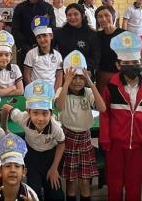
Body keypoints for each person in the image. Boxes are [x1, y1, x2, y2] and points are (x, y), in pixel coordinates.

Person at [100, 31, 142, 201]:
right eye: (127, 63)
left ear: (141, 62)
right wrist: (105, 138)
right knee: (115, 183)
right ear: (118, 65)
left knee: (134, 185)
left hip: (139, 146)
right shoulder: (111, 87)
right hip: (115, 145)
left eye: (135, 62)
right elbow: (105, 114)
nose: (132, 65)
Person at [0, 80, 64, 200]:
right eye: (35, 113)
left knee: (57, 195)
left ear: (51, 113)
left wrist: (54, 168)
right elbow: (5, 107)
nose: (40, 118)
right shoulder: (23, 118)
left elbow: (61, 143)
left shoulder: (55, 127)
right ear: (28, 112)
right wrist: (4, 129)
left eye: (45, 114)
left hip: (50, 157)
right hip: (32, 156)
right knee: (34, 193)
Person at [55, 51, 106, 201]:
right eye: (73, 77)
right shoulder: (61, 91)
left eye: (80, 77)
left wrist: (91, 83)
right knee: (71, 182)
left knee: (85, 181)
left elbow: (102, 108)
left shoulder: (88, 92)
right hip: (68, 138)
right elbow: (59, 106)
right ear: (66, 76)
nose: (77, 81)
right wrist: (66, 82)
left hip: (85, 139)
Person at [11, 0, 55, 68]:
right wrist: (26, 48)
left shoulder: (48, 8)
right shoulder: (19, 8)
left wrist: (43, 46)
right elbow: (15, 30)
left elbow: (52, 28)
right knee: (24, 77)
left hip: (44, 49)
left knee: (43, 75)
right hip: (24, 50)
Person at [0, 133, 39, 201]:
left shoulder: (30, 196)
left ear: (24, 172)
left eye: (17, 166)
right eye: (8, 165)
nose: (12, 170)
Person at [54, 3, 100, 78]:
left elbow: (96, 57)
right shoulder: (59, 33)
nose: (72, 17)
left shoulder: (92, 34)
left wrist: (80, 67)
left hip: (84, 74)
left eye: (76, 14)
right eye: (69, 15)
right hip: (64, 73)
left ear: (82, 15)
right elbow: (52, 52)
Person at [23, 16, 63, 90]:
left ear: (51, 36)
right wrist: (32, 91)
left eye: (45, 36)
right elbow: (27, 75)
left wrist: (54, 92)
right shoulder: (31, 54)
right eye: (38, 37)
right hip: (36, 92)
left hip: (52, 92)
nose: (42, 40)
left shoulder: (58, 55)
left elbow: (59, 76)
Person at [95, 5, 124, 93]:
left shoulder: (124, 35)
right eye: (100, 16)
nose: (103, 19)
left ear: (113, 16)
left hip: (120, 76)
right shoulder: (96, 36)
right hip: (101, 77)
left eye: (107, 15)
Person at [0, 31, 23, 97]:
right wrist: (12, 88)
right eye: (0, 55)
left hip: (15, 100)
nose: (4, 58)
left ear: (11, 56)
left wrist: (0, 91)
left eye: (6, 55)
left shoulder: (15, 68)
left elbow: (21, 91)